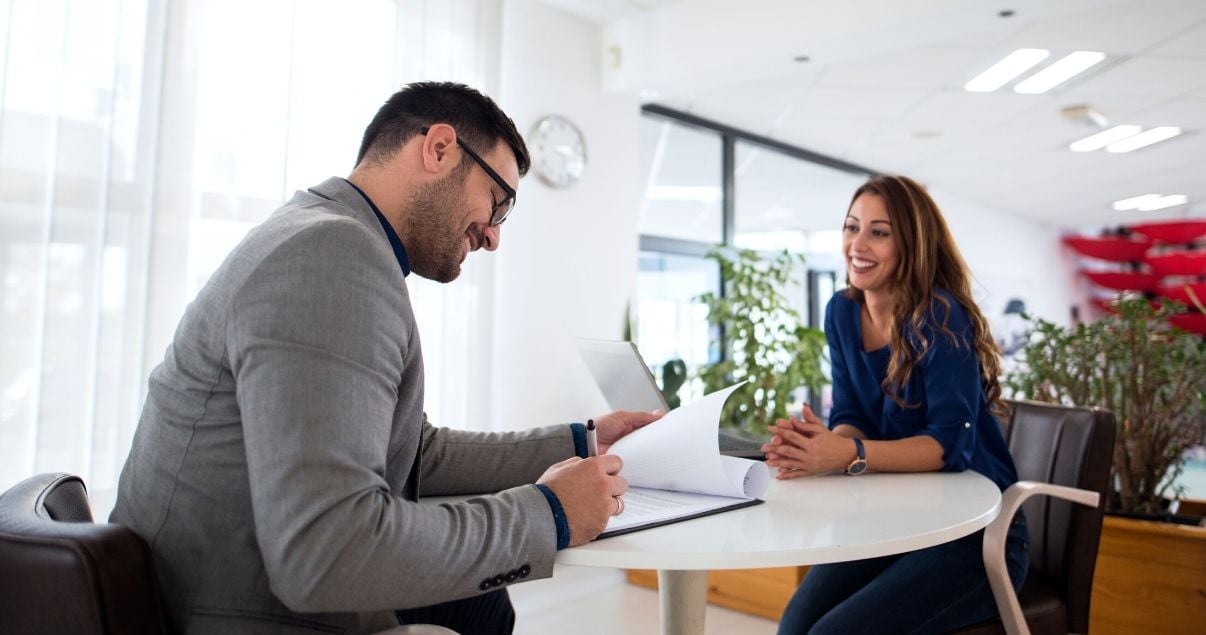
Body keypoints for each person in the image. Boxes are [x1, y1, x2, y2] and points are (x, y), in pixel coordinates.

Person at [110, 81, 660, 635]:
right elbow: (326, 551)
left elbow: (415, 452)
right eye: (498, 202)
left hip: (204, 585)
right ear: (438, 148)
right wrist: (551, 514)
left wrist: (583, 442)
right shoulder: (330, 255)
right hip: (232, 612)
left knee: (482, 607)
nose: (494, 237)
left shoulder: (320, 233)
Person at [762, 175, 1029, 634]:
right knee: (795, 626)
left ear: (912, 244)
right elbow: (852, 416)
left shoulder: (940, 316)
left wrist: (848, 454)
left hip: (977, 533)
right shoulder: (841, 311)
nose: (857, 244)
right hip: (898, 520)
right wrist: (823, 446)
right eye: (851, 227)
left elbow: (951, 447)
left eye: (878, 232)